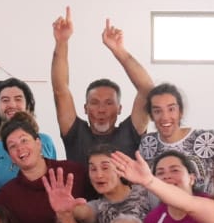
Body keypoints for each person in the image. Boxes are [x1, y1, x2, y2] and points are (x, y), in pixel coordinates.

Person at [0, 112, 89, 223]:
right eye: (12, 146)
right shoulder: (7, 195)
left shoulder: (74, 172)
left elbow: (102, 212)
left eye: (24, 140)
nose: (20, 148)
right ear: (10, 157)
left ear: (38, 143)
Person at [50, 9, 152, 162]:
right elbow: (60, 90)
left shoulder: (130, 132)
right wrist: (61, 42)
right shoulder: (76, 133)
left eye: (109, 103)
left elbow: (148, 90)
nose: (101, 110)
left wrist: (119, 50)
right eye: (95, 103)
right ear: (85, 108)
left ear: (119, 109)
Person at [0, 77, 59, 198]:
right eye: (5, 100)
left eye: (18, 99)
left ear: (28, 105)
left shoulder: (46, 141)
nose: (12, 105)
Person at [136, 83, 214, 195]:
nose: (165, 117)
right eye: (157, 111)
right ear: (151, 116)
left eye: (171, 109)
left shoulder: (209, 139)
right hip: (162, 211)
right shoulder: (147, 143)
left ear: (181, 112)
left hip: (205, 209)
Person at [66, 145, 158, 223]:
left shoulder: (146, 193)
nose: (99, 175)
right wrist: (67, 208)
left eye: (105, 168)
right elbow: (84, 213)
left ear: (119, 169)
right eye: (93, 169)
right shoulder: (98, 207)